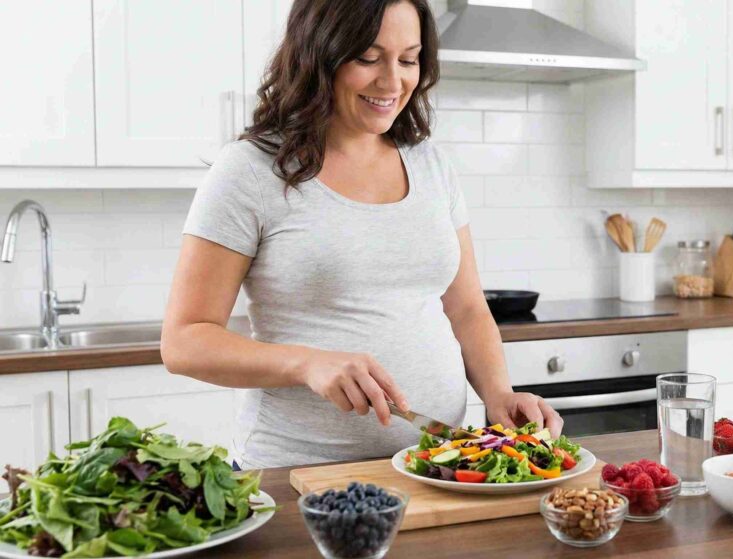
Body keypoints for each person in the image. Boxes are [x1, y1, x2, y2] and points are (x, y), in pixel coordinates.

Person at [160, 0, 563, 469]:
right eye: (368, 58)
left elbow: (468, 308)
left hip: (436, 467)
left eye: (408, 60)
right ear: (317, 55)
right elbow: (184, 341)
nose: (392, 82)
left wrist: (499, 394)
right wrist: (307, 363)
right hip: (299, 474)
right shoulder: (251, 171)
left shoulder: (431, 165)